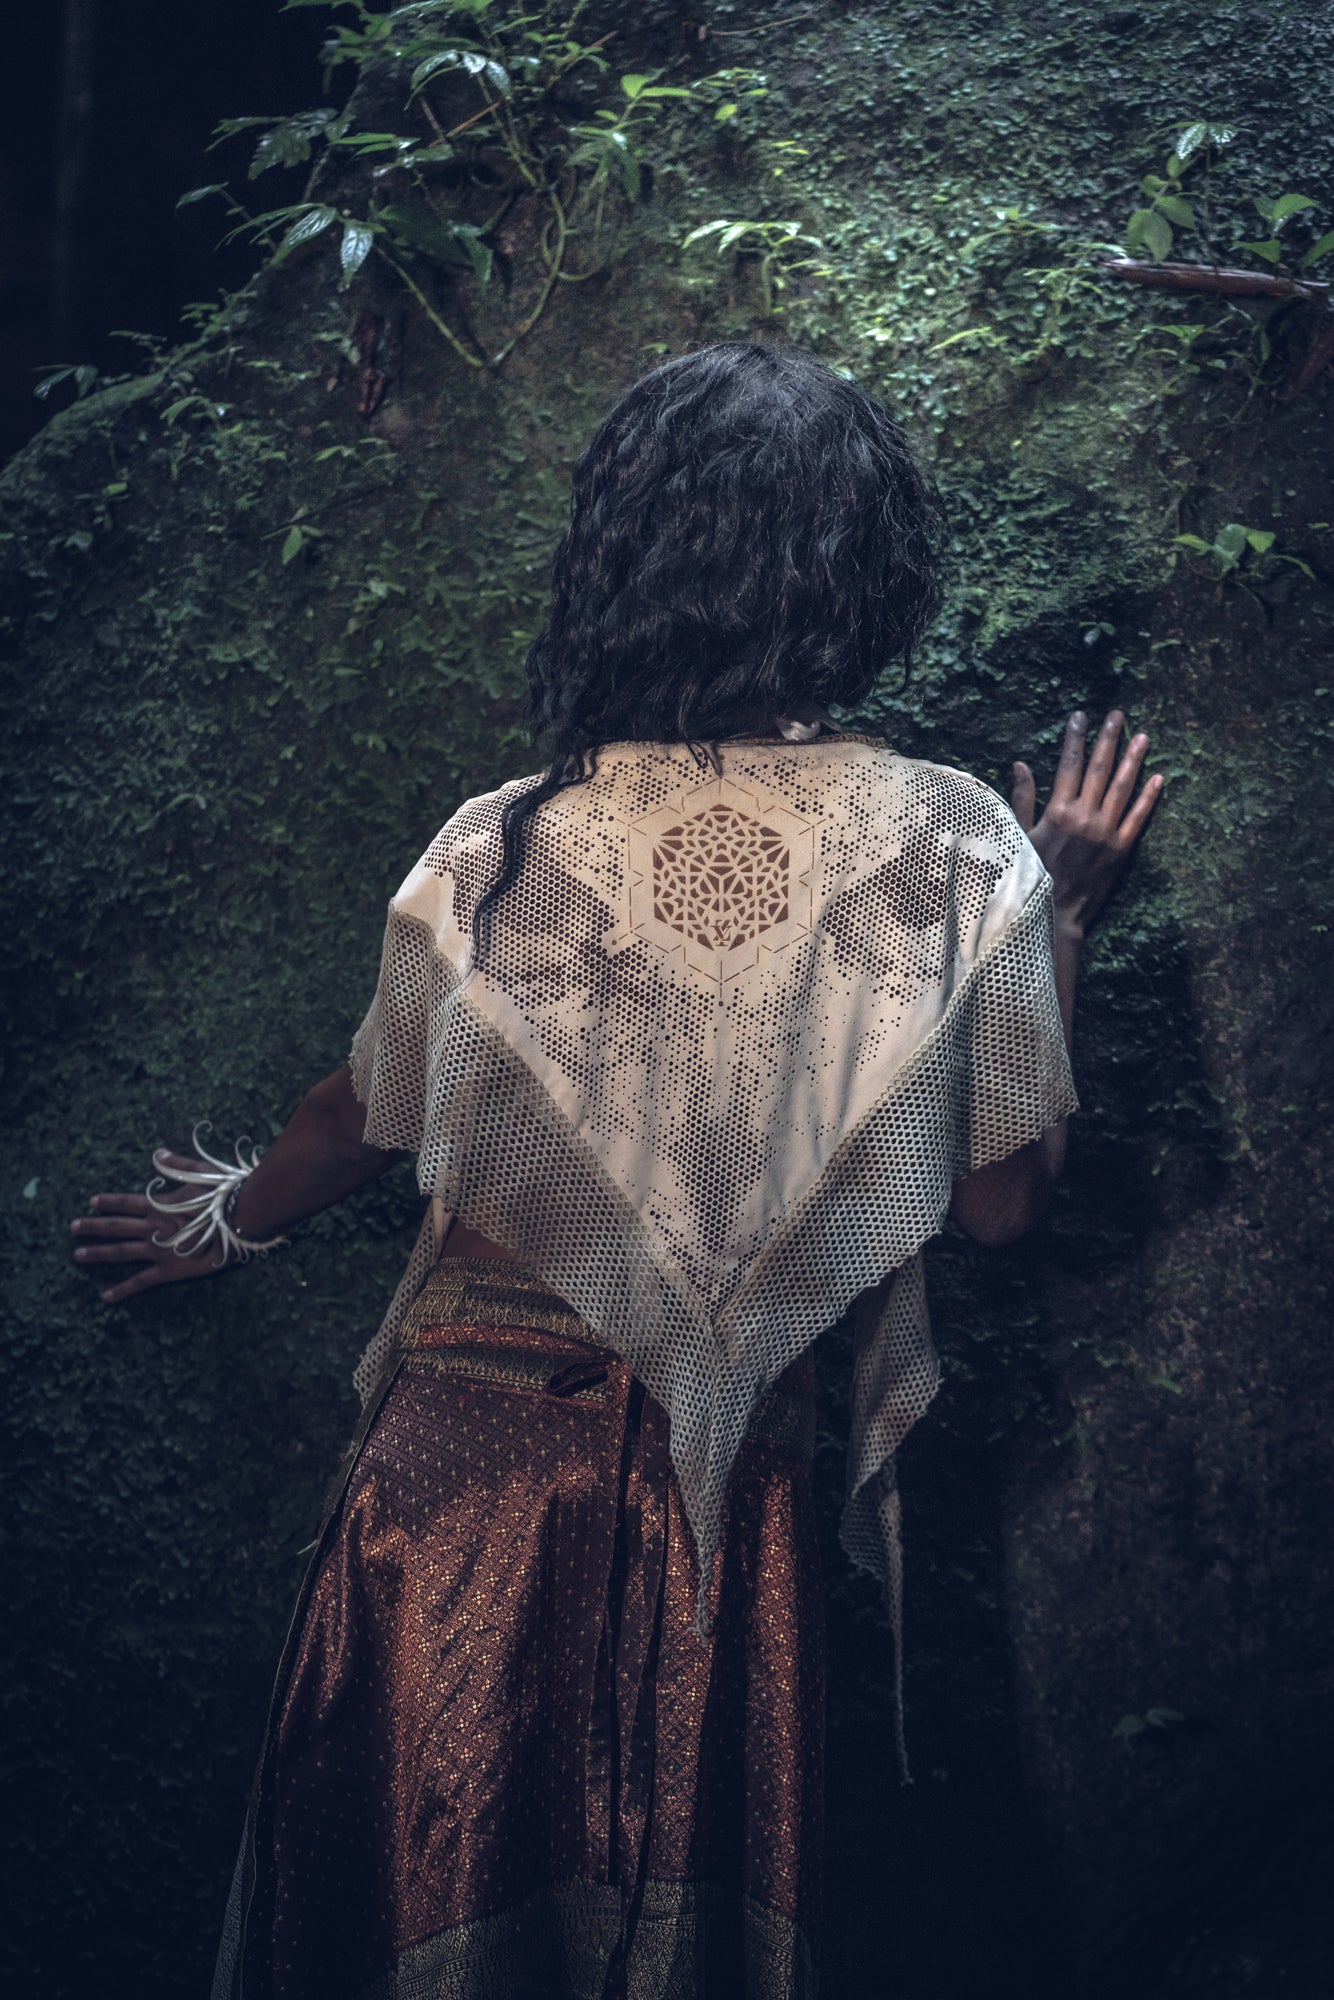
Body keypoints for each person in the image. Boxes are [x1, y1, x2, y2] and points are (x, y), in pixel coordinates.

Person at [70, 343, 1161, 2000]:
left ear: (623, 561)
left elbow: (361, 1111)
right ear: (869, 573)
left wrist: (225, 1219)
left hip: (454, 1486)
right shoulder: (954, 849)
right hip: (731, 1506)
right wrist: (1066, 916)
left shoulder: (505, 839)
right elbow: (1003, 1204)